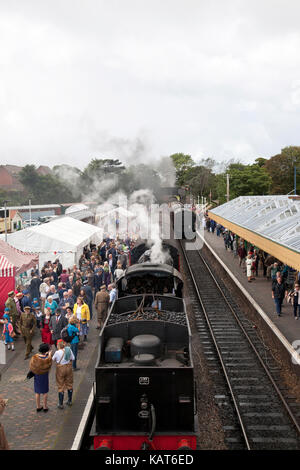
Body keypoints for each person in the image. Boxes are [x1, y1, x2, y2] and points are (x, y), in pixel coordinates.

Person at [29, 343, 53, 412]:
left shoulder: (35, 357)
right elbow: (49, 364)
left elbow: (31, 366)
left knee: (37, 392)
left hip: (37, 376)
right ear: (47, 350)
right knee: (45, 392)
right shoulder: (47, 358)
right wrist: (50, 355)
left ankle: (38, 406)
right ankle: (45, 407)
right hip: (44, 376)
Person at [52, 341, 75, 409]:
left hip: (61, 369)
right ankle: (70, 401)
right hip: (69, 367)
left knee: (61, 385)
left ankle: (61, 404)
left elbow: (53, 359)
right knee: (69, 384)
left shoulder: (57, 352)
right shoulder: (69, 349)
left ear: (58, 345)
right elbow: (73, 358)